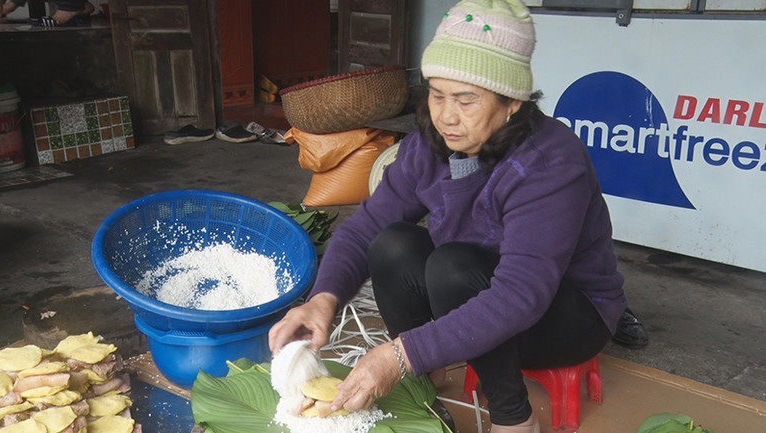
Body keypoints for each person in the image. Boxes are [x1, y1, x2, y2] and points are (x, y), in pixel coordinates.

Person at [269, 1, 640, 431]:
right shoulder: (430, 144)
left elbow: (520, 296)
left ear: (512, 102)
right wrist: (323, 298)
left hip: (568, 311)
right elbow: (364, 228)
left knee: (452, 267)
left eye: (466, 100)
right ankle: (426, 376)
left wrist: (399, 353)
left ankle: (513, 419)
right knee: (392, 242)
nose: (446, 116)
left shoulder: (550, 163)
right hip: (472, 285)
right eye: (437, 94)